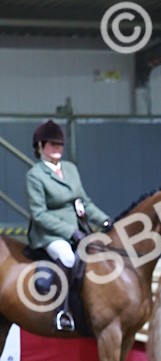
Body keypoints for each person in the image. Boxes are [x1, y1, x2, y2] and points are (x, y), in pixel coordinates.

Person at [25, 119, 109, 332]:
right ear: (40, 147)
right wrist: (69, 232)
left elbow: (85, 202)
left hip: (77, 230)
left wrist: (107, 221)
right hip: (49, 234)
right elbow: (39, 214)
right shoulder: (35, 175)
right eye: (52, 144)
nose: (57, 149)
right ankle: (63, 311)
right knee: (69, 258)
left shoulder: (70, 169)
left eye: (60, 144)